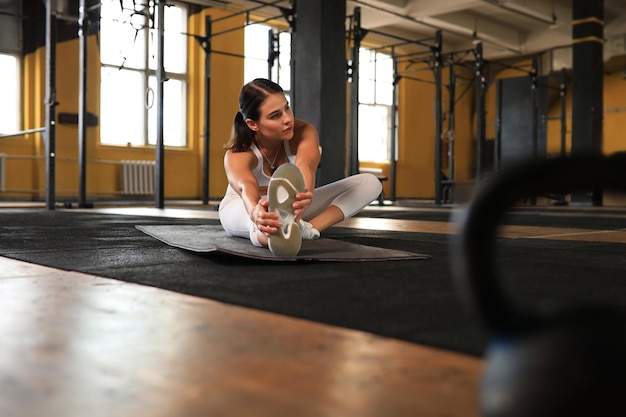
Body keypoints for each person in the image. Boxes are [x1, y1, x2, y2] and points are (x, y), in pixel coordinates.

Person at [218, 78, 382, 254]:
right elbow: (245, 186)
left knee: (370, 183)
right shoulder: (238, 153)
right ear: (252, 124)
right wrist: (254, 210)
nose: (288, 119)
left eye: (286, 107)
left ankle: (308, 229)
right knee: (264, 224)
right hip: (243, 206)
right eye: (275, 115)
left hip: (292, 205)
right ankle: (270, 232)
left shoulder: (304, 131)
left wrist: (306, 193)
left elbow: (307, 165)